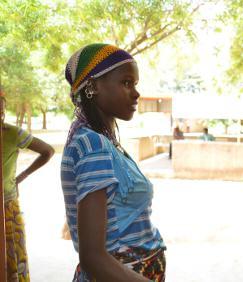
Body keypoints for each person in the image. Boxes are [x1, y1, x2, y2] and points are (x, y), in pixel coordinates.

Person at [61, 43, 166, 281]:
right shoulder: (92, 145)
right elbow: (93, 257)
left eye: (135, 84)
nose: (136, 93)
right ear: (94, 86)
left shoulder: (103, 142)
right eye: (126, 82)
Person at [1, 93, 54, 281]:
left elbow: (48, 151)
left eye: (2, 113)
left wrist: (22, 176)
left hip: (8, 207)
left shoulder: (12, 133)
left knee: (14, 257)